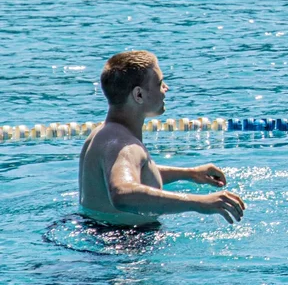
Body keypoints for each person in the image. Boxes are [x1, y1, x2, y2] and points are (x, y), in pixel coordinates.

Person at [79, 50, 246, 226]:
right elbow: (123, 192)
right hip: (124, 244)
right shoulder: (124, 145)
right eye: (159, 83)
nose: (166, 88)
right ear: (139, 95)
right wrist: (199, 202)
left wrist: (190, 174)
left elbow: (138, 171)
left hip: (100, 235)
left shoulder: (103, 133)